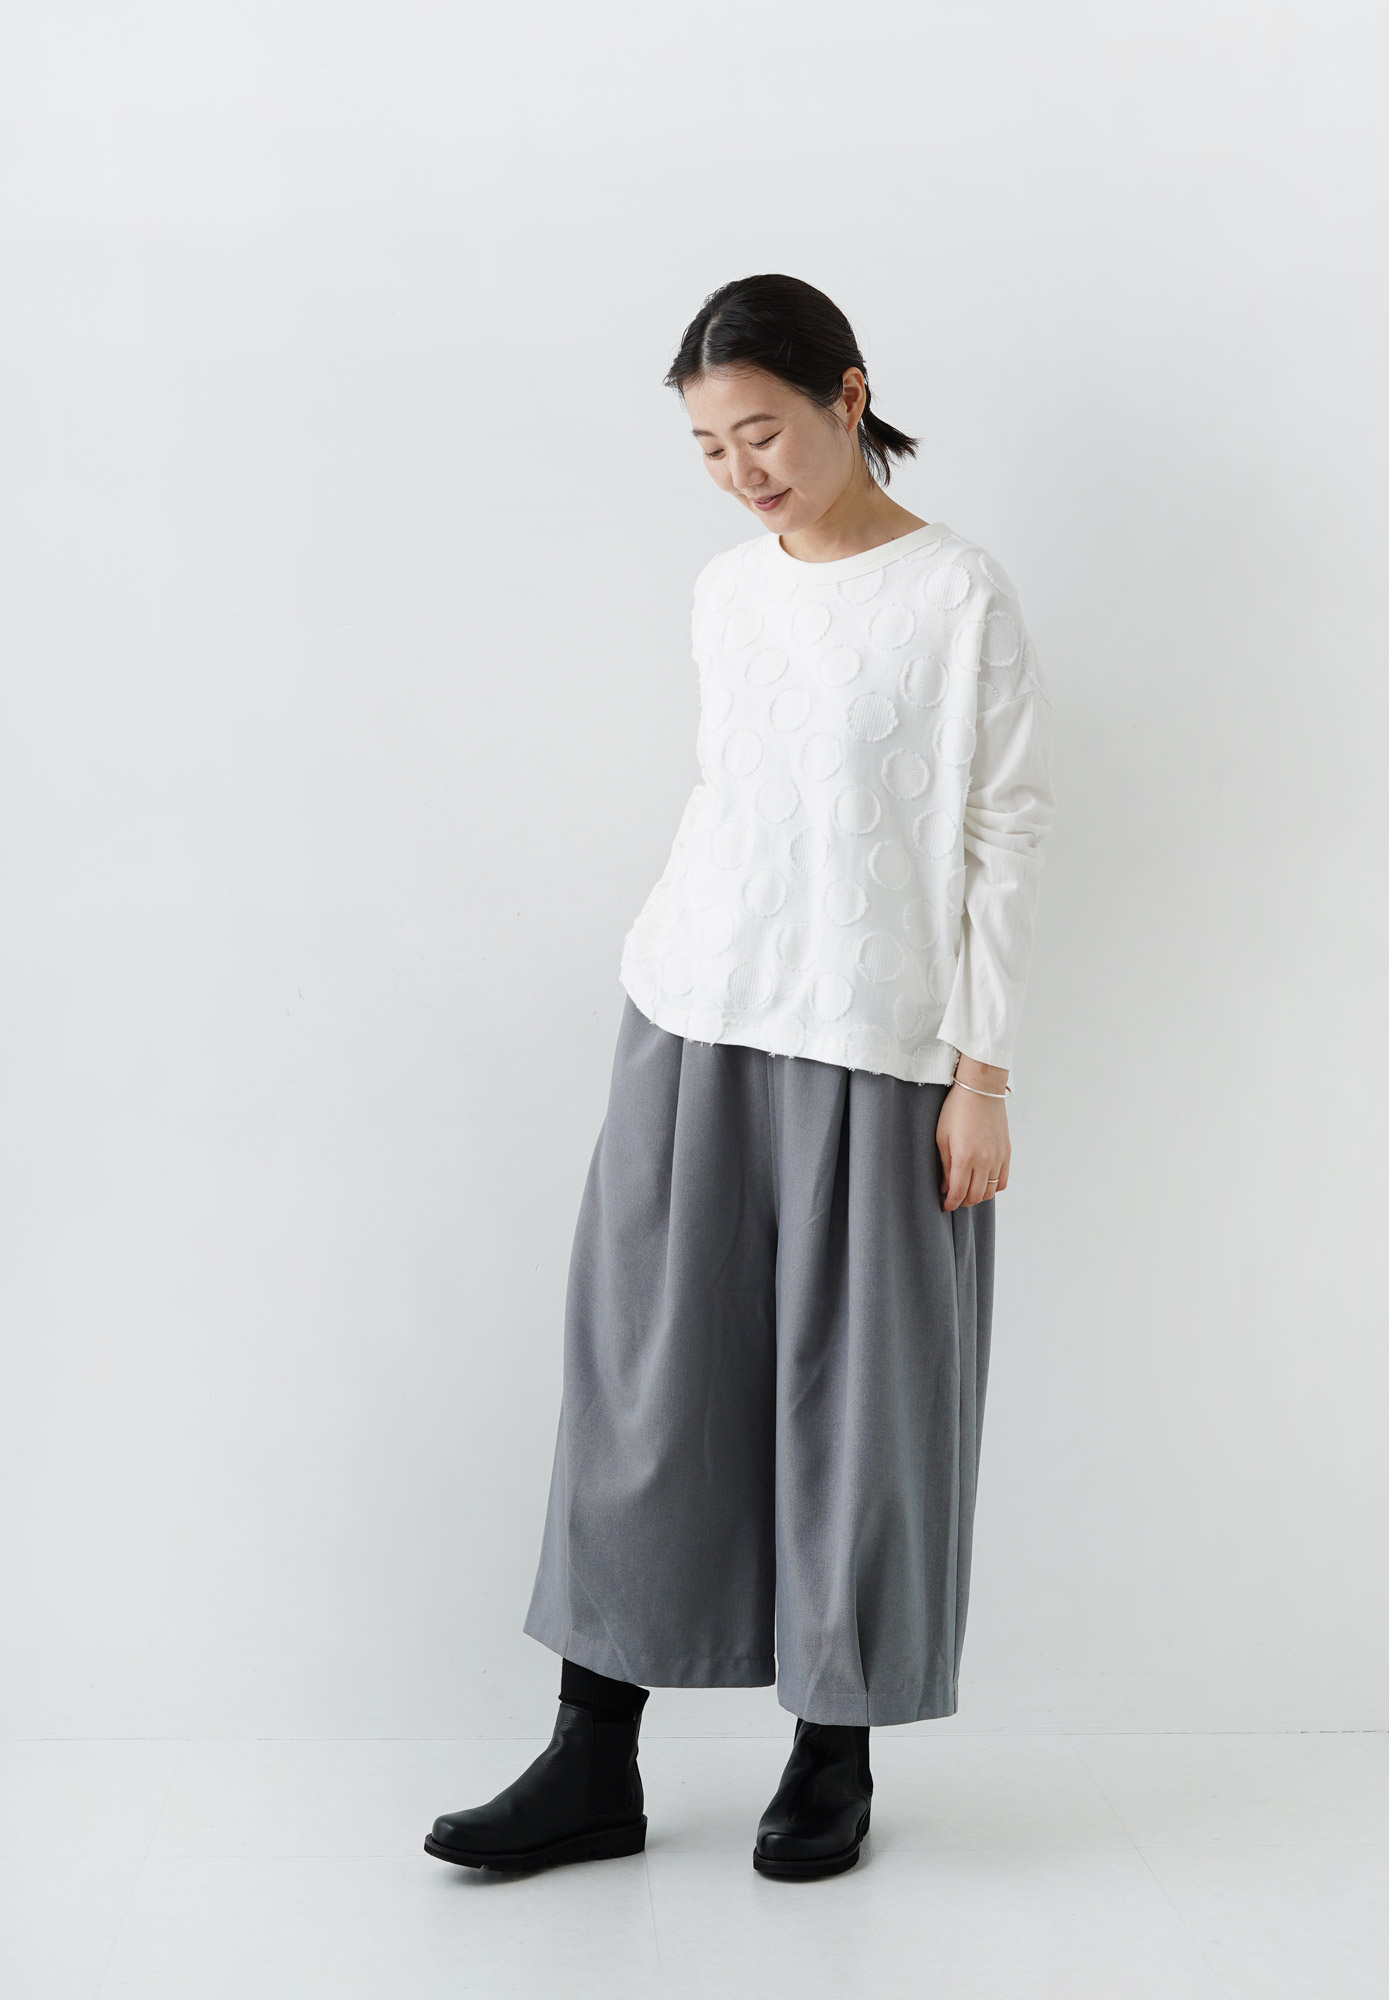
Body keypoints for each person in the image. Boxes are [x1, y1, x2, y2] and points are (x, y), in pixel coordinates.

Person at [426, 273, 1056, 1882]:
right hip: (695, 1014)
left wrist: (983, 1073)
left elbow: (1003, 837)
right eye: (709, 448)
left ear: (850, 395)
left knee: (856, 1403)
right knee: (647, 1382)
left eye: (761, 432)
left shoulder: (959, 595)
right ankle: (592, 1757)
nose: (739, 472)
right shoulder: (725, 592)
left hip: (878, 1043)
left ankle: (831, 1752)